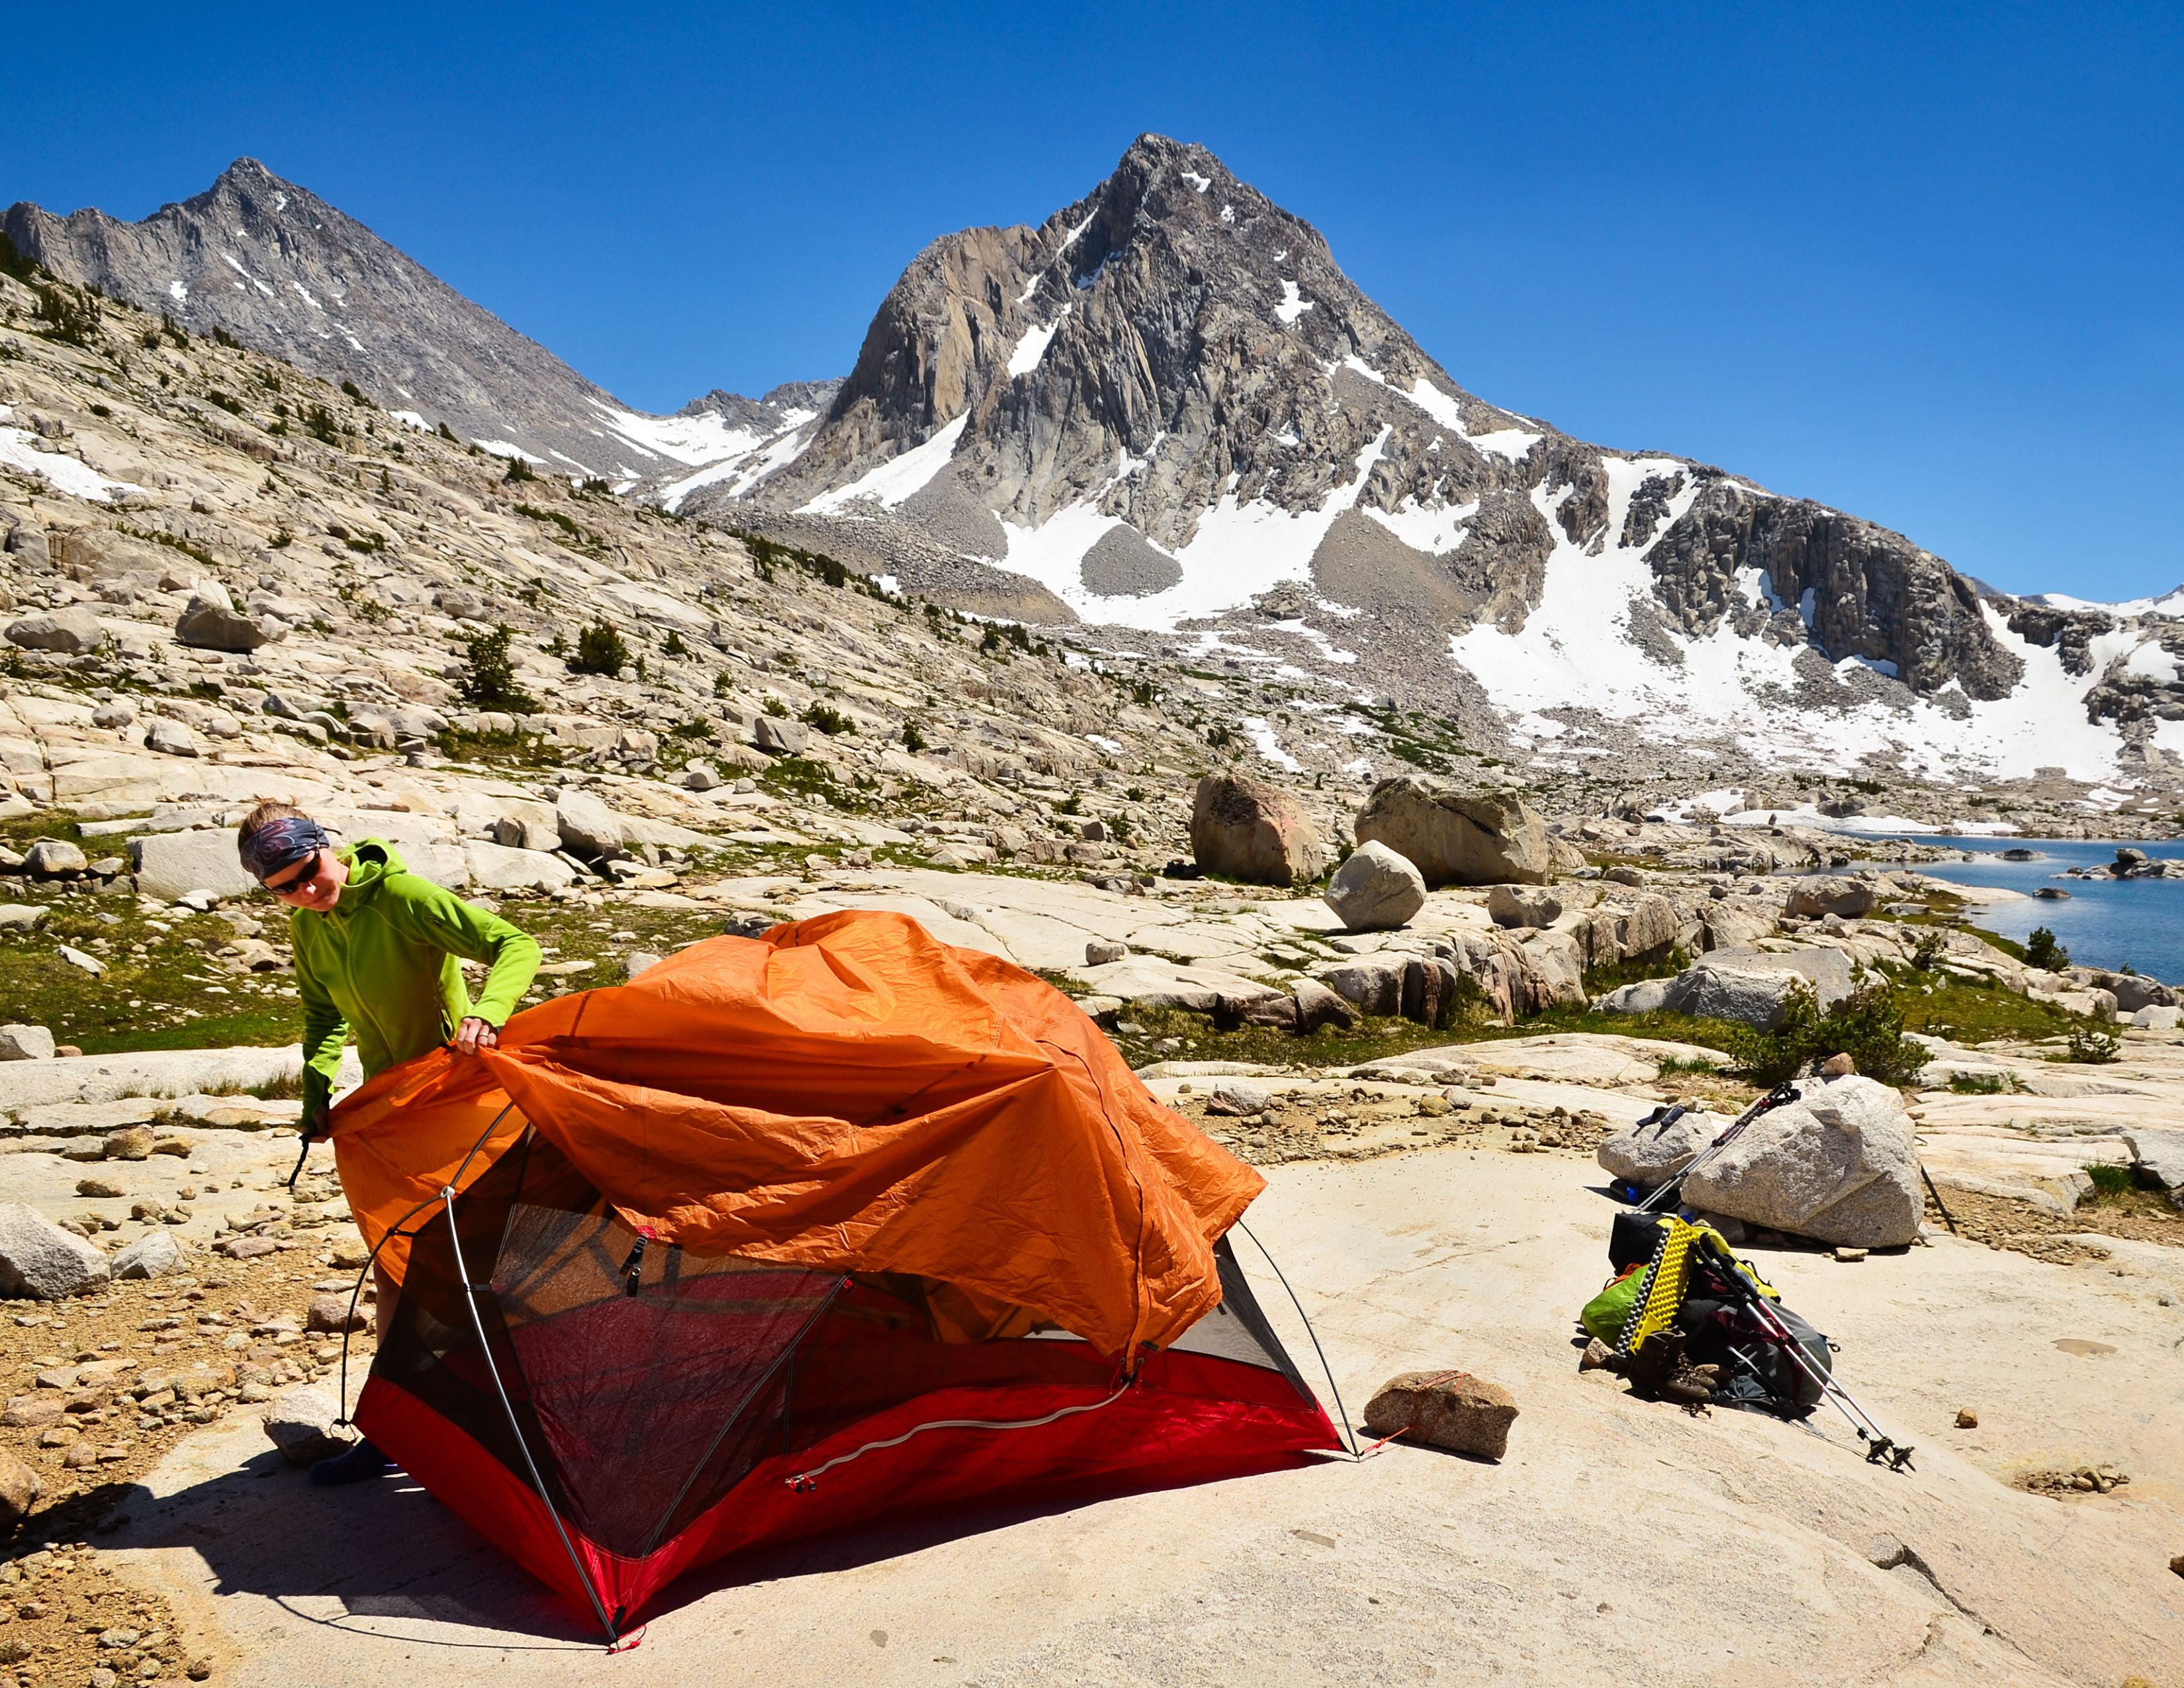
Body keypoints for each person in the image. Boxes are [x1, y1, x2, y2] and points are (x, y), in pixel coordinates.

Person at [237, 800, 541, 1485]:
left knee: (461, 1270)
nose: (305, 892)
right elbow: (321, 1015)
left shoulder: (400, 897)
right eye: (283, 887)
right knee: (395, 1267)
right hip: (394, 1111)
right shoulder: (308, 930)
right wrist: (316, 1092)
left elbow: (517, 945)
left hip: (461, 1100)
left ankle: (499, 1438)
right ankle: (398, 1430)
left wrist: (488, 1016)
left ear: (326, 848)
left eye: (308, 872)